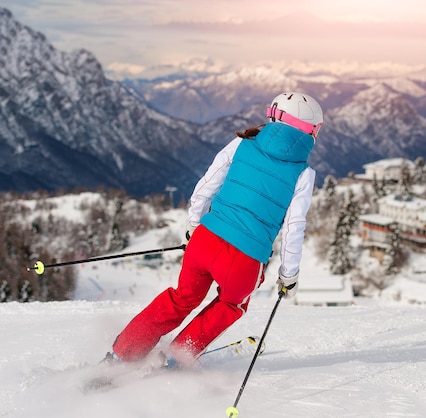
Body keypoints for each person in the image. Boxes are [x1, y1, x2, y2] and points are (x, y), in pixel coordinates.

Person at [105, 92, 323, 366]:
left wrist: (193, 226)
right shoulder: (304, 173)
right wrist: (288, 275)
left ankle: (121, 354)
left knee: (182, 298)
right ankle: (175, 359)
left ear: (273, 115)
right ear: (312, 131)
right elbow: (294, 227)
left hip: (206, 240)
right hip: (245, 259)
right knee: (231, 305)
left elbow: (206, 185)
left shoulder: (242, 143)